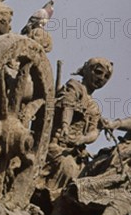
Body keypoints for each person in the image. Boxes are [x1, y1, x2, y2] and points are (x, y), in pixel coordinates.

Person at [42, 58, 113, 198]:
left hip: (75, 151)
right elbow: (67, 105)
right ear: (87, 70)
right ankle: (45, 195)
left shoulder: (94, 107)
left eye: (106, 77)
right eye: (98, 72)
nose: (101, 79)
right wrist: (65, 125)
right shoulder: (74, 86)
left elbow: (93, 131)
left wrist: (83, 139)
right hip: (56, 144)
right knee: (67, 167)